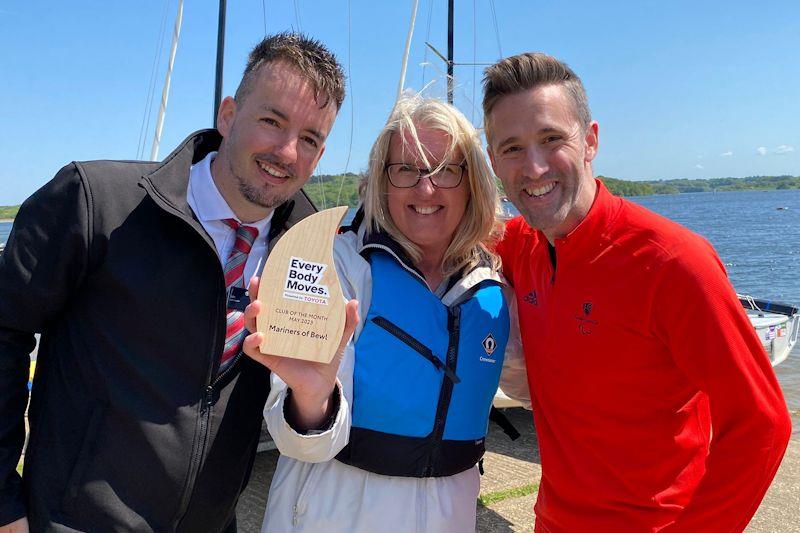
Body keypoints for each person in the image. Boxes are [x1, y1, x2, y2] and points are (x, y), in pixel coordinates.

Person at [0, 32, 348, 532]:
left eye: (311, 139)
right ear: (228, 116)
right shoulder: (97, 203)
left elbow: (300, 395)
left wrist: (314, 398)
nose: (287, 151)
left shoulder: (309, 250)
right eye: (272, 121)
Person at [482, 52, 793, 531]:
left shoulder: (673, 262)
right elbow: (438, 230)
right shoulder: (522, 247)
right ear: (493, 162)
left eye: (551, 139)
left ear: (590, 141)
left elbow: (761, 423)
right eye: (512, 148)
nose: (535, 166)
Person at [241, 95, 514, 532]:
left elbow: (529, 383)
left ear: (472, 182)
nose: (426, 189)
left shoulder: (495, 286)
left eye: (445, 168)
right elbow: (295, 438)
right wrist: (312, 398)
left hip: (451, 512)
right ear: (382, 181)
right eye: (406, 169)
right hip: (334, 511)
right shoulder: (337, 265)